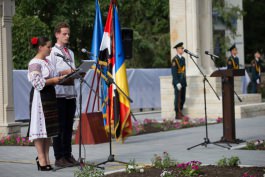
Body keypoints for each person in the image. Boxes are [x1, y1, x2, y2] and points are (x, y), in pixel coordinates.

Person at [27, 37, 65, 171]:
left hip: (50, 96)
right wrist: (53, 80)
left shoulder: (47, 61)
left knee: (48, 129)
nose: (50, 49)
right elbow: (37, 83)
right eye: (48, 47)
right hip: (40, 97)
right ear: (40, 47)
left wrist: (63, 77)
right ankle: (41, 158)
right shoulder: (35, 63)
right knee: (39, 128)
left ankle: (47, 157)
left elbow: (54, 75)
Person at [47, 22, 78, 167]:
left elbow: (72, 69)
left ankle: (68, 154)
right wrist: (65, 72)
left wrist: (77, 72)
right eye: (64, 33)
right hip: (59, 93)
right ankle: (59, 157)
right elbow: (50, 73)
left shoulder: (70, 52)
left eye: (68, 34)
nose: (67, 36)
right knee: (59, 127)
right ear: (57, 34)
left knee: (68, 126)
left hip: (70, 93)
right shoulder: (52, 52)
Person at [171, 42, 187, 120]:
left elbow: (184, 71)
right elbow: (174, 73)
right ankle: (177, 113)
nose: (182, 49)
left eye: (182, 48)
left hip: (183, 81)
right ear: (177, 50)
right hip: (177, 82)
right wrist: (177, 83)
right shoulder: (175, 60)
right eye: (181, 48)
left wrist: (184, 81)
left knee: (183, 98)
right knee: (178, 98)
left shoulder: (183, 59)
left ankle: (180, 110)